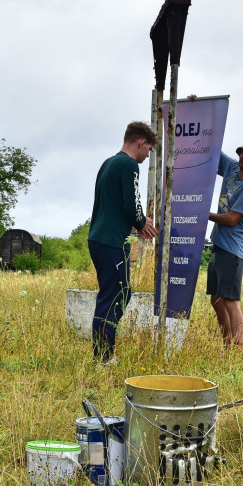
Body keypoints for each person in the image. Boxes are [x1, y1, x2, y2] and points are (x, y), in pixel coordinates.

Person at [87, 121, 158, 363]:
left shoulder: (108, 163)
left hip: (99, 238)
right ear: (141, 142)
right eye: (148, 149)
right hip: (111, 241)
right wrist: (141, 222)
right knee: (115, 295)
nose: (147, 155)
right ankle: (104, 357)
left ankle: (102, 352)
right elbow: (131, 201)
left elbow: (116, 204)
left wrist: (137, 220)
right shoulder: (128, 165)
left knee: (118, 292)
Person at [207, 138, 243, 346]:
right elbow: (211, 151)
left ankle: (238, 349)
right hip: (219, 244)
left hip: (233, 250)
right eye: (242, 152)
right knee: (216, 298)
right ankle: (227, 342)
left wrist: (204, 213)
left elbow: (232, 219)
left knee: (230, 300)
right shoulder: (232, 167)